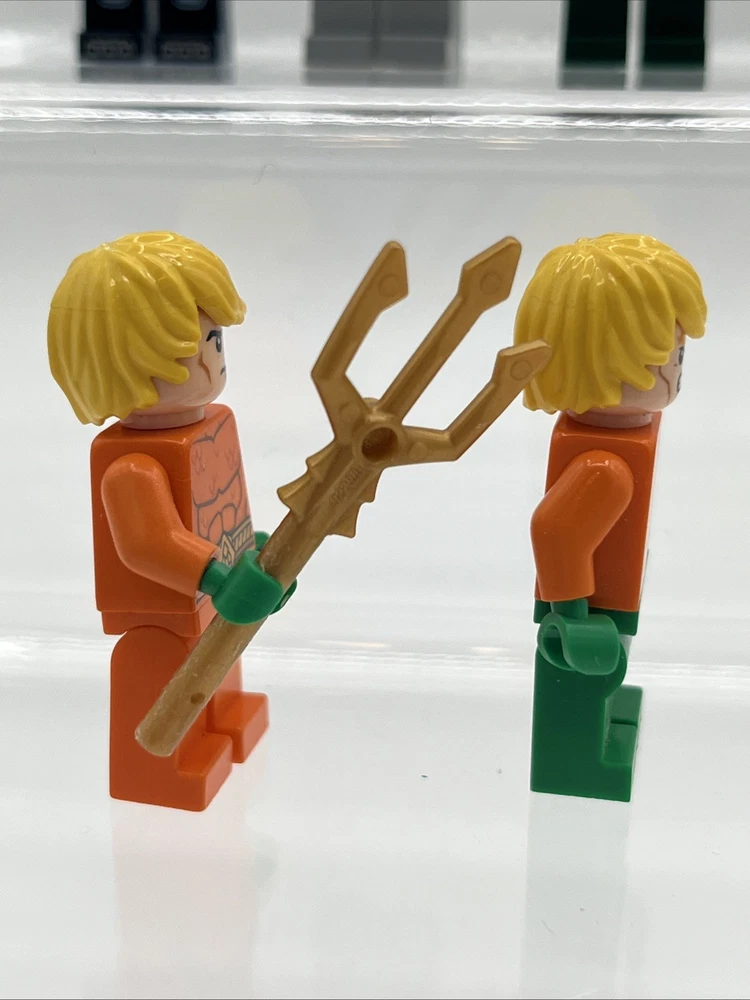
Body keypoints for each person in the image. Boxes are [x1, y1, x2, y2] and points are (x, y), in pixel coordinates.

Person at [48, 231, 294, 811]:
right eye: (201, 342)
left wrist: (253, 552)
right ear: (127, 364)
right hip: (161, 604)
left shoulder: (212, 425)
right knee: (158, 664)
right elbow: (148, 545)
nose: (215, 356)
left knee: (222, 649)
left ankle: (221, 716)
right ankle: (158, 767)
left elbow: (223, 500)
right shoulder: (132, 465)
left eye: (217, 338)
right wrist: (220, 578)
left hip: (217, 584)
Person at [514, 233, 707, 801]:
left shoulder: (627, 441)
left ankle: (597, 738)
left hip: (600, 600)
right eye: (670, 353)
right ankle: (580, 766)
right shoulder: (605, 465)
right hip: (585, 615)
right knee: (578, 688)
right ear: (609, 359)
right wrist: (573, 621)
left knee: (605, 677)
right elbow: (554, 531)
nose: (677, 366)